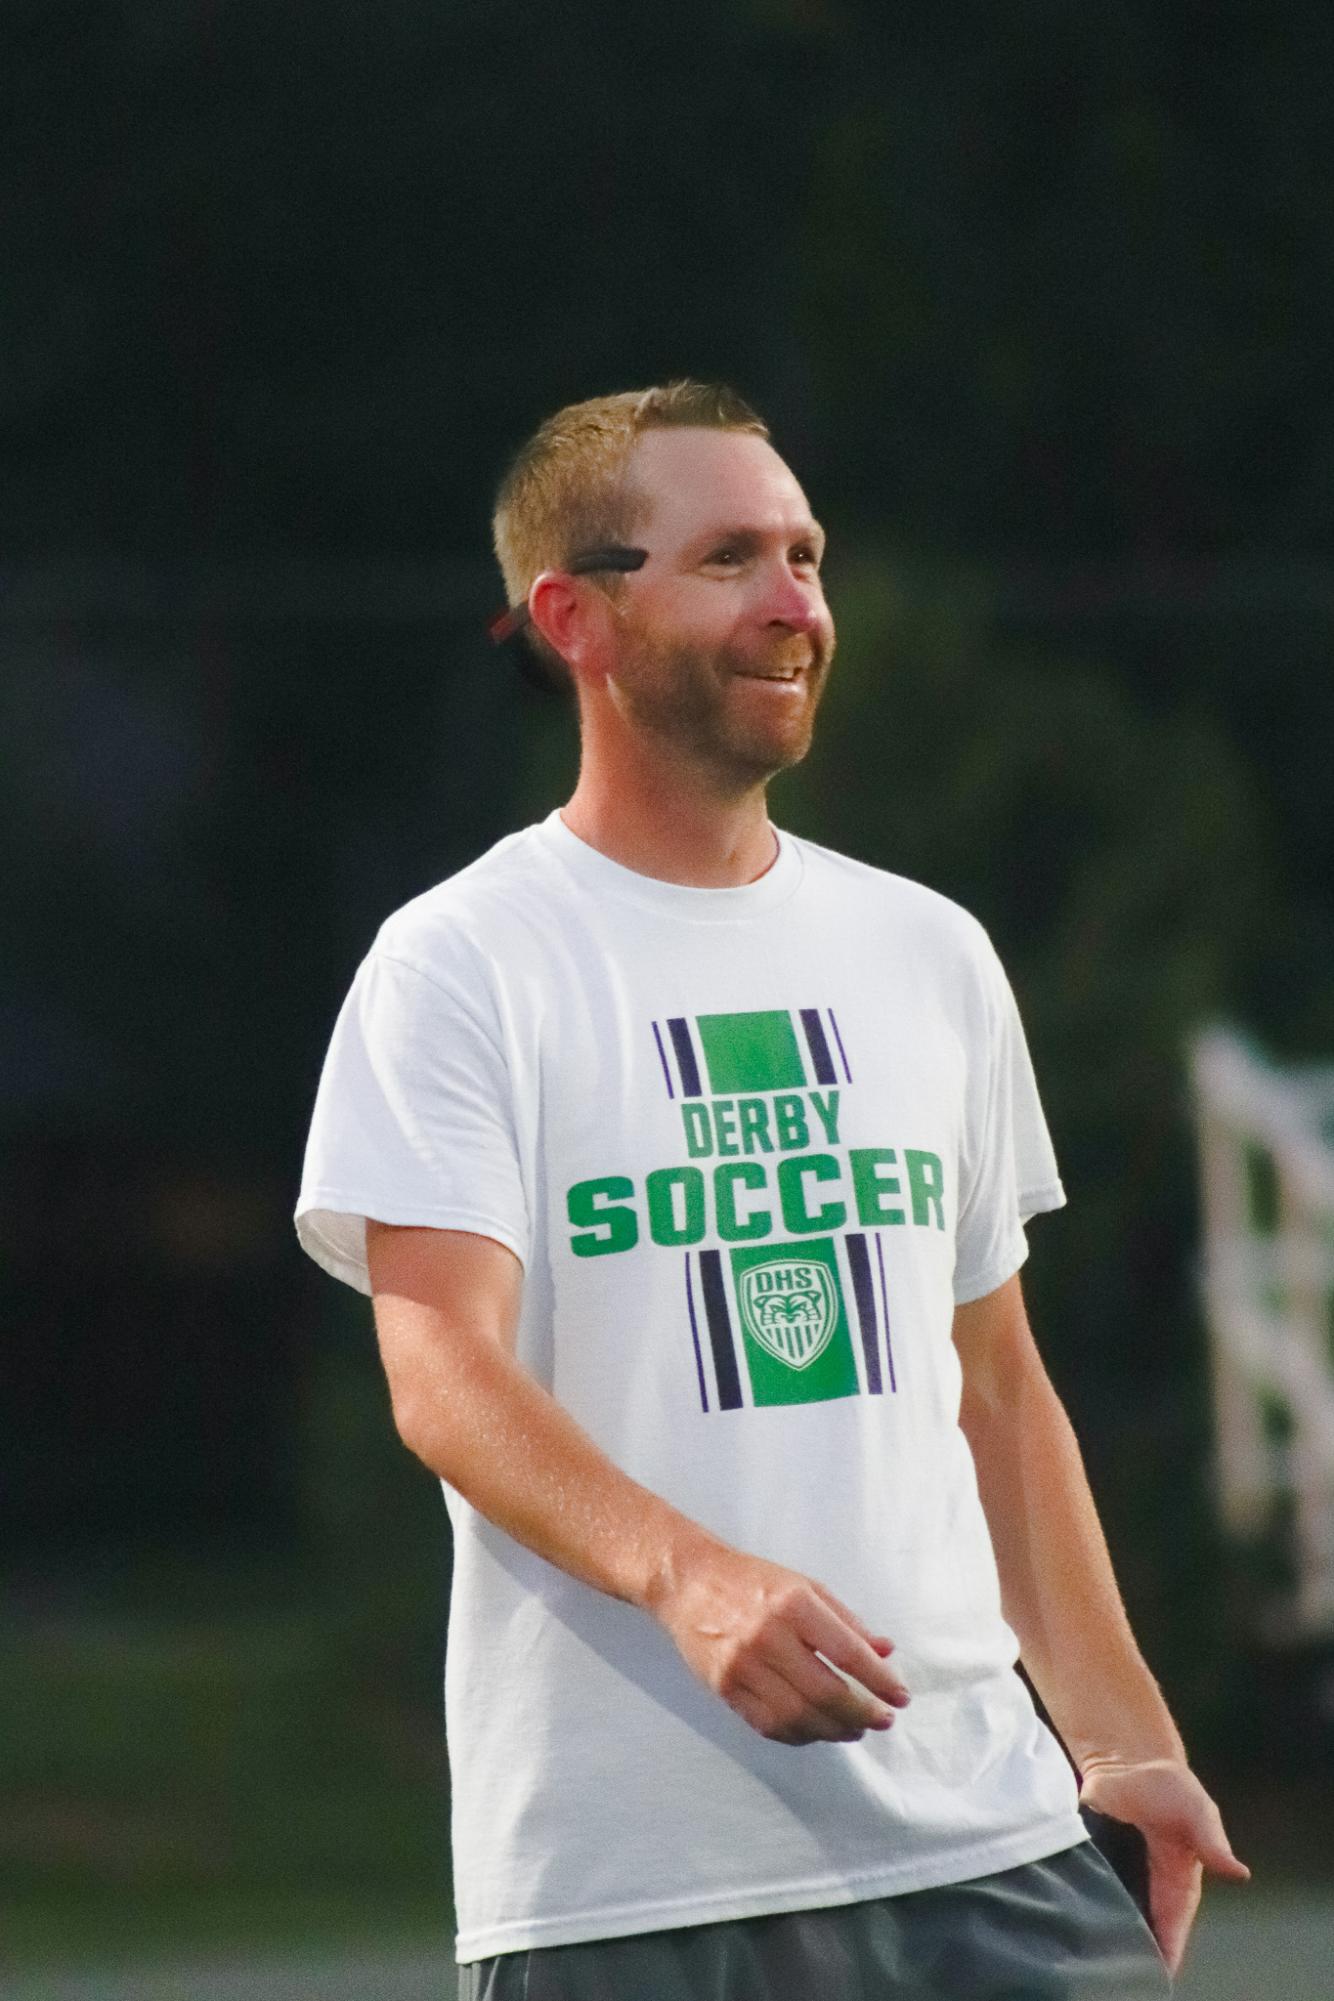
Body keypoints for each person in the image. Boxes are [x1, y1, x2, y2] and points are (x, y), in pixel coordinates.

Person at [295, 380, 1247, 1999]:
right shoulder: (460, 962)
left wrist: (1120, 1733)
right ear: (573, 616)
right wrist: (693, 1572)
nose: (797, 601)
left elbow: (994, 1389)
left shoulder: (927, 951)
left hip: (995, 1853)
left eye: (807, 553)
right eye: (730, 556)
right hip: (633, 1895)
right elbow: (440, 1367)